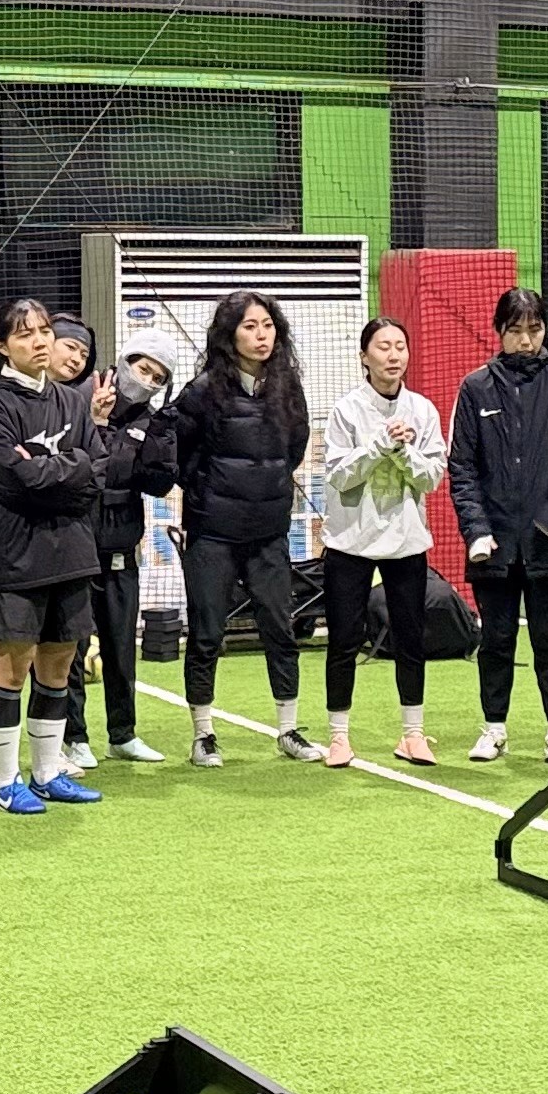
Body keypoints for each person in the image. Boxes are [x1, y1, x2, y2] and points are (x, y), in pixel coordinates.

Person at [0, 297, 110, 814]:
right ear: (3, 346)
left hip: (71, 553)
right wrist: (71, 468)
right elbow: (10, 478)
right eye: (25, 334)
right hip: (11, 559)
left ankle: (47, 771)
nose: (39, 341)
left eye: (44, 331)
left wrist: (54, 470)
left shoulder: (71, 400)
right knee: (12, 666)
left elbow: (100, 470)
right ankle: (5, 781)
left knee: (60, 660)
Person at [447, 287, 548, 765]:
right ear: (500, 332)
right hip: (492, 548)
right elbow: (462, 468)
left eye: (534, 330)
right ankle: (494, 729)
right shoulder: (475, 389)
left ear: (544, 330)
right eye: (516, 331)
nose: (527, 341)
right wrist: (476, 530)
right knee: (494, 640)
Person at [169, 289, 323, 767]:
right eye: (250, 327)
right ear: (229, 334)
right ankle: (203, 735)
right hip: (212, 532)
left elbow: (294, 447)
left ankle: (289, 729)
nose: (262, 336)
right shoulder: (200, 391)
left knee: (281, 628)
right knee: (207, 632)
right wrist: (209, 493)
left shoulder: (287, 387)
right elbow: (179, 455)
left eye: (268, 326)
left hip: (269, 531)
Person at [317, 316, 451, 767]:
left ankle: (412, 734)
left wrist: (404, 451)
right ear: (364, 358)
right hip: (349, 543)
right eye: (383, 347)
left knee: (411, 638)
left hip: (407, 543)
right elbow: (337, 475)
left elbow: (432, 478)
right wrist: (378, 445)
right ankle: (338, 737)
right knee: (344, 638)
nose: (394, 355)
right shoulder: (346, 410)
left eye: (400, 347)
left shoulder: (424, 410)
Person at [85, 334, 183, 765]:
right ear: (125, 361)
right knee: (68, 650)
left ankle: (122, 735)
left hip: (123, 546)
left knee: (121, 645)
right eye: (143, 369)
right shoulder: (81, 398)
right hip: (75, 546)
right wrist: (100, 425)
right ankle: (72, 738)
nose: (146, 381)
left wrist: (160, 450)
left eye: (158, 378)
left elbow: (159, 483)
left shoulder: (155, 422)